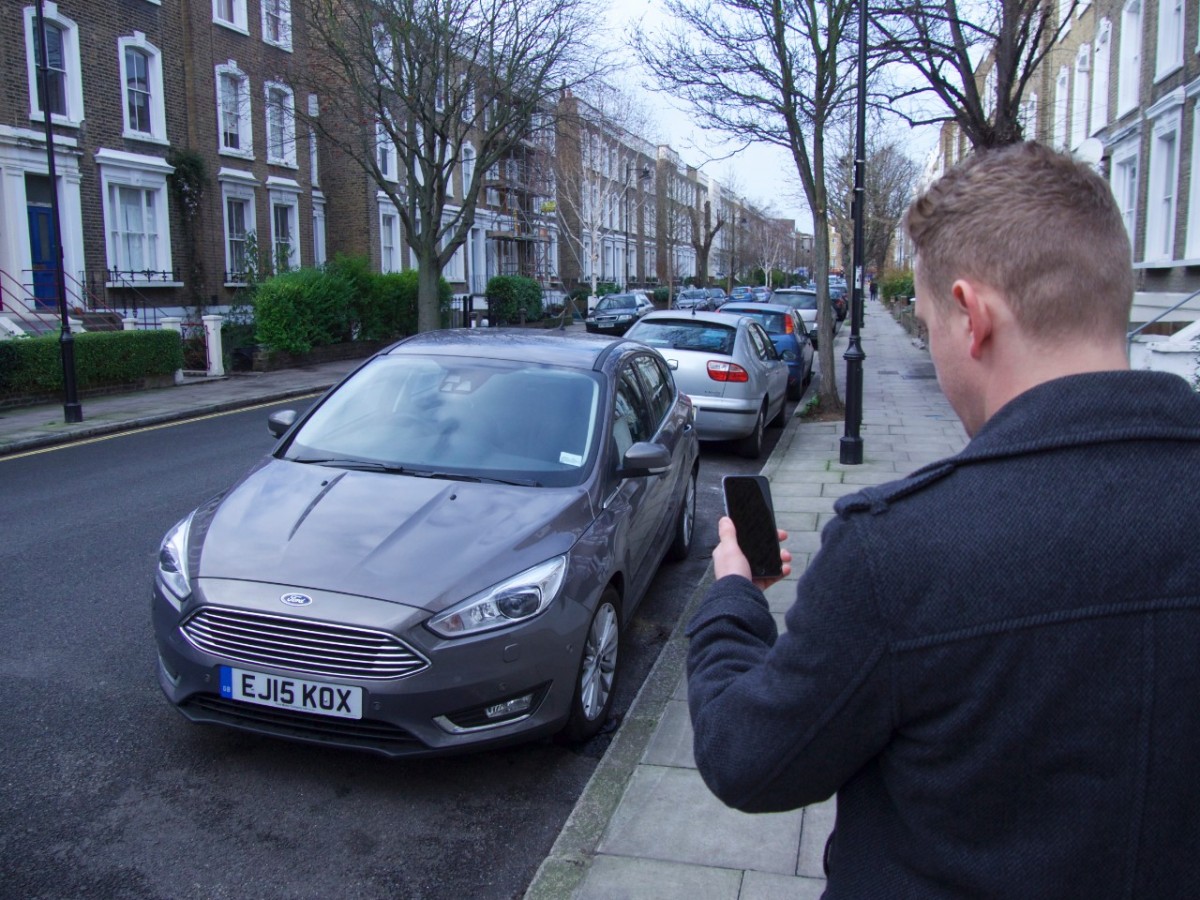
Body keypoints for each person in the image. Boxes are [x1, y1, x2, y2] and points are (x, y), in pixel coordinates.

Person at [685, 141, 1200, 896]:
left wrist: (733, 594)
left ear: (971, 316)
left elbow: (746, 756)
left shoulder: (898, 552)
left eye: (926, 324)